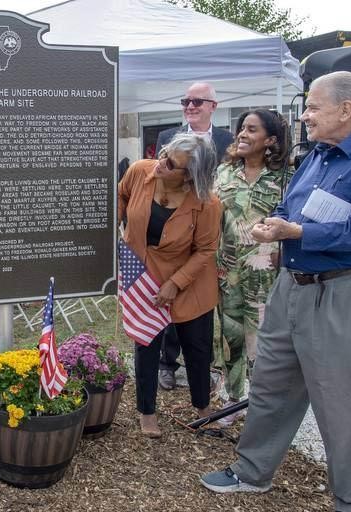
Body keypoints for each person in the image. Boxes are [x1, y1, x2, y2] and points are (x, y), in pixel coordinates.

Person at [200, 71, 351, 512]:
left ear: (346, 109)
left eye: (313, 107)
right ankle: (252, 473)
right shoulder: (316, 156)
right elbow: (287, 206)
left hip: (343, 295)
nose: (306, 116)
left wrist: (297, 232)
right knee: (271, 387)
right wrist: (270, 226)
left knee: (344, 405)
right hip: (290, 290)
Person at [118, 132, 222, 437]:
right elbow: (121, 195)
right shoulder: (140, 171)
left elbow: (205, 250)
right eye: (163, 154)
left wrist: (176, 283)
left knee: (197, 347)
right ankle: (146, 412)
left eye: (171, 163)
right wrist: (115, 220)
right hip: (144, 274)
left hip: (189, 281)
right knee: (146, 342)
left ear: (190, 177)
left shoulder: (207, 204)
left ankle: (203, 407)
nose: (160, 164)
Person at [213, 109, 290, 426]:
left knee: (262, 342)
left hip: (266, 274)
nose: (242, 134)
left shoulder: (286, 178)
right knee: (230, 337)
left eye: (252, 130)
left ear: (270, 140)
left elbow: (294, 222)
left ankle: (262, 405)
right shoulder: (224, 173)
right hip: (228, 272)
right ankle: (232, 399)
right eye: (241, 129)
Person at [156, 82, 234, 390]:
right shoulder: (166, 138)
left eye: (197, 101)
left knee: (202, 301)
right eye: (186, 101)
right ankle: (167, 363)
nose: (190, 106)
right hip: (176, 229)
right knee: (172, 295)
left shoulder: (228, 140)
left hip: (213, 229)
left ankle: (201, 365)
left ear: (213, 106)